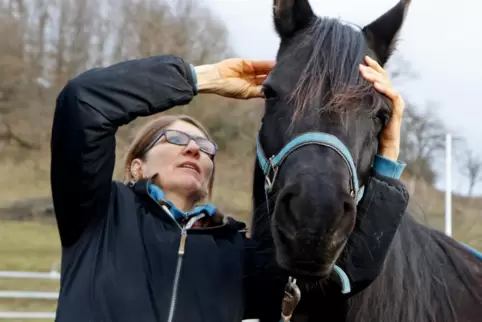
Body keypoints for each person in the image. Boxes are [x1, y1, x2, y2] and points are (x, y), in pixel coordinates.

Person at [50, 54, 408, 322]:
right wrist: (202, 78)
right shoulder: (96, 215)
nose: (193, 148)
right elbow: (85, 101)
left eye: (205, 148)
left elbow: (341, 277)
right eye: (175, 138)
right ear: (136, 164)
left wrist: (387, 153)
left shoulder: (239, 255)